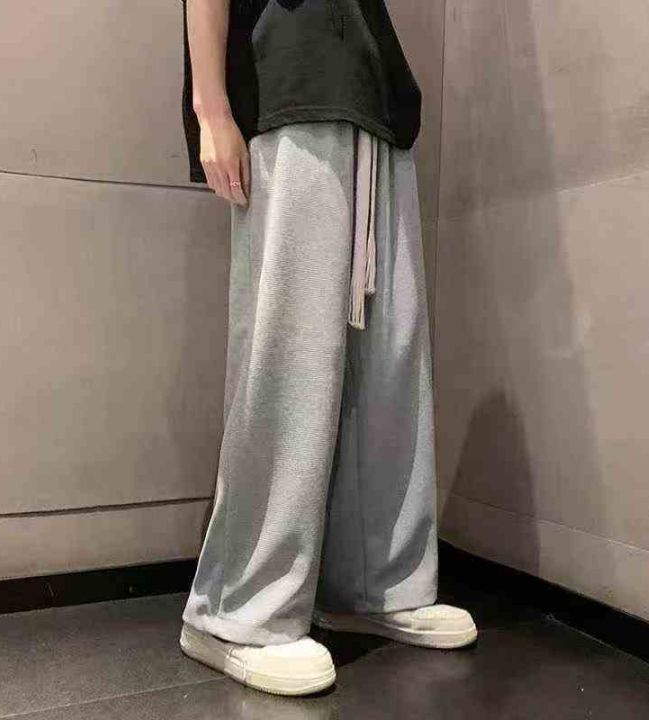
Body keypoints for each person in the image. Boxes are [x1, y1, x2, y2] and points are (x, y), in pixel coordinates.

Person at [178, 0, 477, 696]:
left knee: (390, 358)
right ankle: (235, 608)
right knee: (288, 357)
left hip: (374, 94)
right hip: (288, 79)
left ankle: (377, 581)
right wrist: (210, 106)